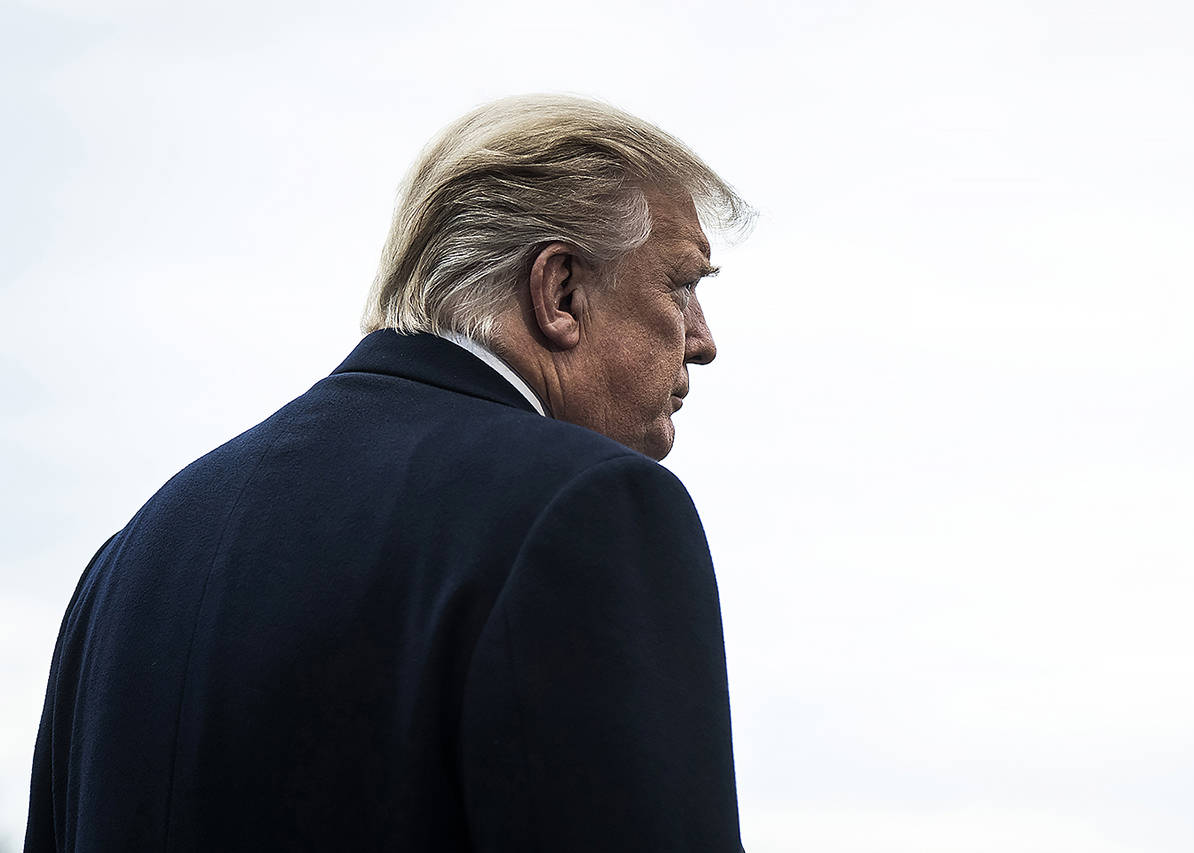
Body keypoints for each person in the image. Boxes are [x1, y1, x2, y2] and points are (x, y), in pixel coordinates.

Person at [23, 94, 754, 852]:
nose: (703, 342)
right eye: (682, 284)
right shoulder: (589, 510)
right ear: (560, 292)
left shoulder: (127, 562)